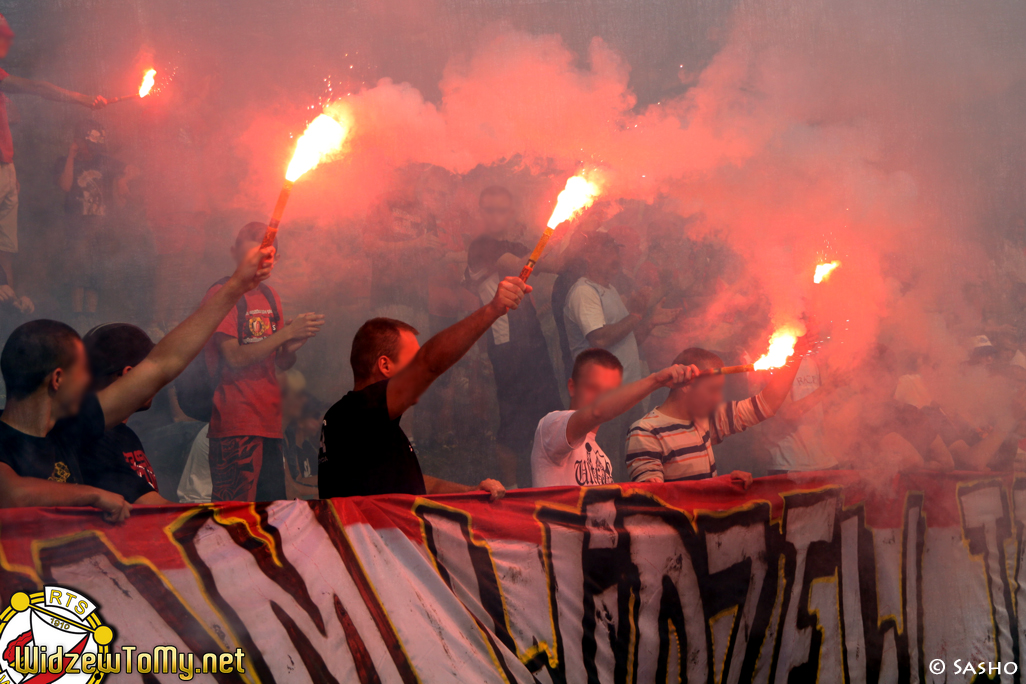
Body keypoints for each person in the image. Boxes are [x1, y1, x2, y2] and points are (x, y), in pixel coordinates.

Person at [0, 244, 274, 521]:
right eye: (83, 370)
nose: (90, 379)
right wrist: (91, 495)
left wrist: (236, 286)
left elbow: (160, 364)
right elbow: (12, 495)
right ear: (57, 379)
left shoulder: (69, 429)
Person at [318, 276, 531, 499]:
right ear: (384, 365)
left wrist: (469, 492)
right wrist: (492, 310)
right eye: (413, 361)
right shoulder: (357, 412)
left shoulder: (365, 422)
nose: (419, 377)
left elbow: (413, 483)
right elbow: (429, 364)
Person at [202, 222, 324, 502]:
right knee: (235, 515)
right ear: (234, 253)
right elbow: (234, 357)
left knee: (271, 512)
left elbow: (279, 364)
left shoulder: (271, 296)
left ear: (275, 260)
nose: (257, 264)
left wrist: (290, 347)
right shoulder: (222, 294)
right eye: (250, 257)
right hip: (236, 421)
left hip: (269, 420)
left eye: (265, 258)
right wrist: (287, 332)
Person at [0, 12, 106, 290]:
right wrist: (82, 99)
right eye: (2, 31)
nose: (8, 36)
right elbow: (36, 87)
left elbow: (13, 118)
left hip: (4, 170)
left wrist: (8, 170)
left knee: (5, 249)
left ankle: (8, 310)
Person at [464, 196, 563, 487]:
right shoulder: (481, 245)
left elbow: (556, 263)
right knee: (512, 414)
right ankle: (510, 486)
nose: (497, 215)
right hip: (505, 341)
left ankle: (548, 480)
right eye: (491, 209)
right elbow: (518, 266)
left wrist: (565, 236)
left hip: (532, 340)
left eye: (503, 209)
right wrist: (542, 250)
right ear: (482, 212)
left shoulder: (516, 245)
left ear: (511, 213)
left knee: (548, 410)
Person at [626, 344, 809, 485]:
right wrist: (720, 485)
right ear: (688, 385)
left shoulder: (705, 419)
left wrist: (796, 351)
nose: (718, 398)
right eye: (713, 389)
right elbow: (655, 500)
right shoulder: (645, 432)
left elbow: (767, 404)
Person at [531, 349, 692, 488]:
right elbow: (597, 411)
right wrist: (657, 380)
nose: (602, 398)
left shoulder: (602, 459)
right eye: (593, 388)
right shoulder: (551, 426)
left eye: (610, 393)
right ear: (572, 387)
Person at [81, 323, 171, 504]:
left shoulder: (123, 434)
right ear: (129, 374)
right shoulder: (95, 438)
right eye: (150, 371)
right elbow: (154, 510)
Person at [55, 120, 129, 316]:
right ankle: (78, 316)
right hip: (77, 228)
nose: (92, 149)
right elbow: (65, 185)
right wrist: (71, 156)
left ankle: (91, 317)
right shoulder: (64, 161)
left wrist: (122, 181)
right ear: (78, 141)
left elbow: (130, 169)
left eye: (95, 145)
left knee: (97, 275)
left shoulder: (103, 160)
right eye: (89, 143)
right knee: (78, 274)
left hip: (100, 228)